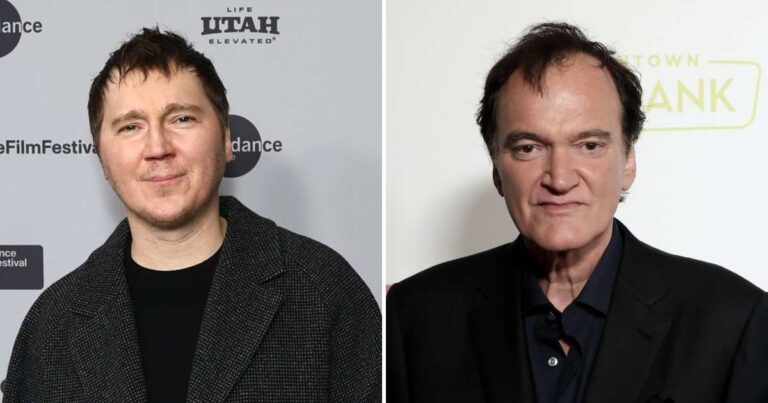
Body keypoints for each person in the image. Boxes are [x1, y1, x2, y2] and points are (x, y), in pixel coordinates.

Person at [387, 22, 768, 403]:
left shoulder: (733, 319)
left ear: (629, 160)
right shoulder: (413, 317)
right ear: (497, 168)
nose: (560, 178)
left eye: (589, 145)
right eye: (528, 148)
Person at [2, 27, 380, 402]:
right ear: (102, 159)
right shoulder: (52, 325)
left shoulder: (324, 291)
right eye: (131, 127)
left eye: (181, 119)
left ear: (227, 140)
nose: (158, 147)